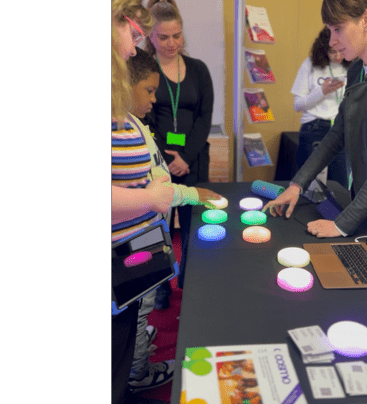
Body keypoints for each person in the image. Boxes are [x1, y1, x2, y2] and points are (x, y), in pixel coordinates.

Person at [111, 2, 219, 403]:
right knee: (131, 315)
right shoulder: (127, 122)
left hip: (141, 233)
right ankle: (135, 371)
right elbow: (148, 187)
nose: (139, 42)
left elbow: (204, 118)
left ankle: (135, 359)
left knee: (133, 316)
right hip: (126, 250)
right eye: (139, 34)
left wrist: (179, 165)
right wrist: (157, 189)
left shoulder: (195, 75)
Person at [263, 0, 367, 239]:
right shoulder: (355, 70)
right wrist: (297, 184)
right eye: (330, 31)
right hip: (365, 206)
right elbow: (337, 135)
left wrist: (341, 224)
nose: (331, 41)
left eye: (337, 29)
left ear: (366, 20)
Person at [143, 0, 214, 294]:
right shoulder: (144, 70)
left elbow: (204, 117)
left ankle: (188, 286)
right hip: (157, 163)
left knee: (190, 230)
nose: (171, 43)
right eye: (163, 37)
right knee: (157, 230)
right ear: (150, 36)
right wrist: (166, 156)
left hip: (193, 161)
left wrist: (185, 156)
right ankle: (159, 291)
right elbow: (144, 118)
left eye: (177, 35)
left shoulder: (198, 69)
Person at [292, 27, 352, 189]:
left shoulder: (352, 65)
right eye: (332, 52)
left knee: (340, 185)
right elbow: (297, 105)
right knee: (307, 185)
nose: (338, 56)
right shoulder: (311, 64)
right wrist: (322, 91)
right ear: (323, 49)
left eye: (341, 50)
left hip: (341, 128)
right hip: (314, 127)